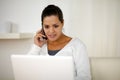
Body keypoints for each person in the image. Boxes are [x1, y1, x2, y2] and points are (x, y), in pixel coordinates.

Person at [28, 4, 91, 80]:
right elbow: (26, 72)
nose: (51, 31)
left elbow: (85, 77)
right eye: (47, 27)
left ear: (62, 23)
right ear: (42, 27)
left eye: (55, 26)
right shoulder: (40, 46)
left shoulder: (77, 45)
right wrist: (36, 47)